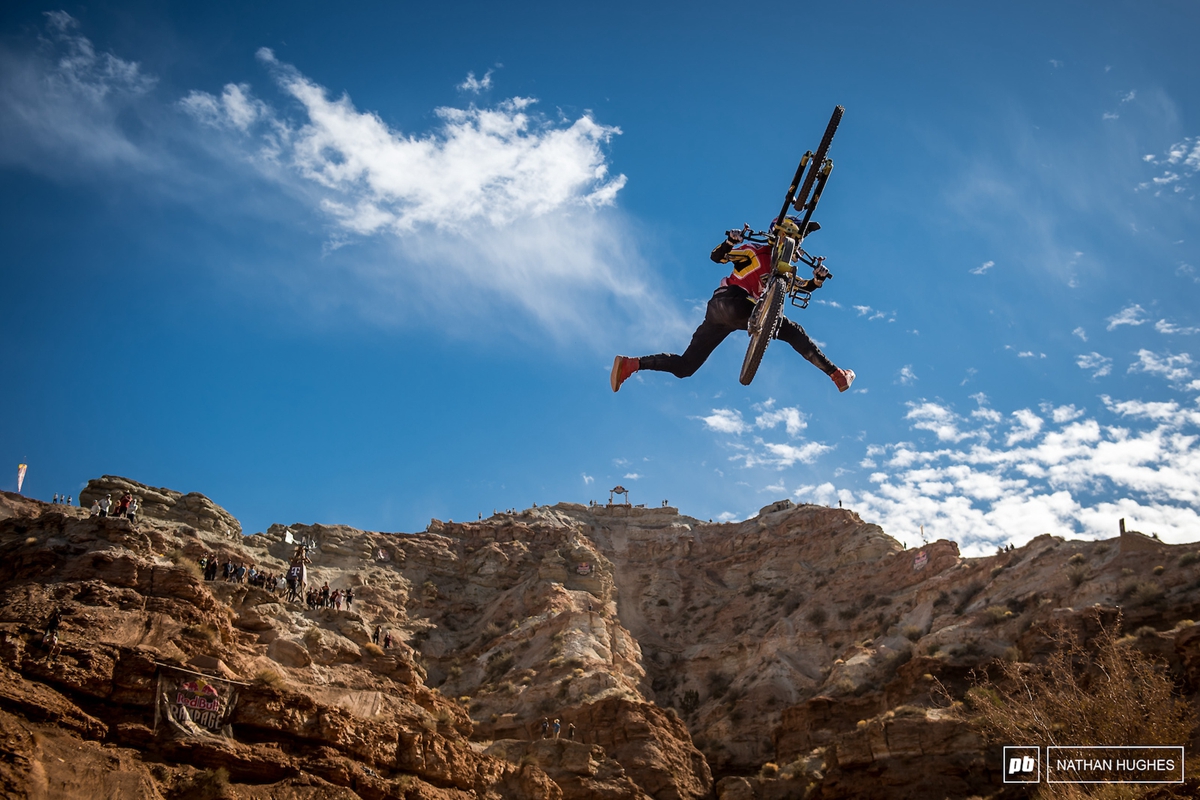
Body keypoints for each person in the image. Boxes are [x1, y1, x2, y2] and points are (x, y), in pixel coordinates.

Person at [611, 217, 854, 393]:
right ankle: (836, 374)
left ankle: (632, 364)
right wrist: (729, 242)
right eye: (796, 242)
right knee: (792, 331)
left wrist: (818, 279)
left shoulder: (783, 271)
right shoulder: (755, 251)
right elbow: (717, 257)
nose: (797, 249)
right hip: (736, 302)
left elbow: (805, 286)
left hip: (718, 311)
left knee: (686, 366)